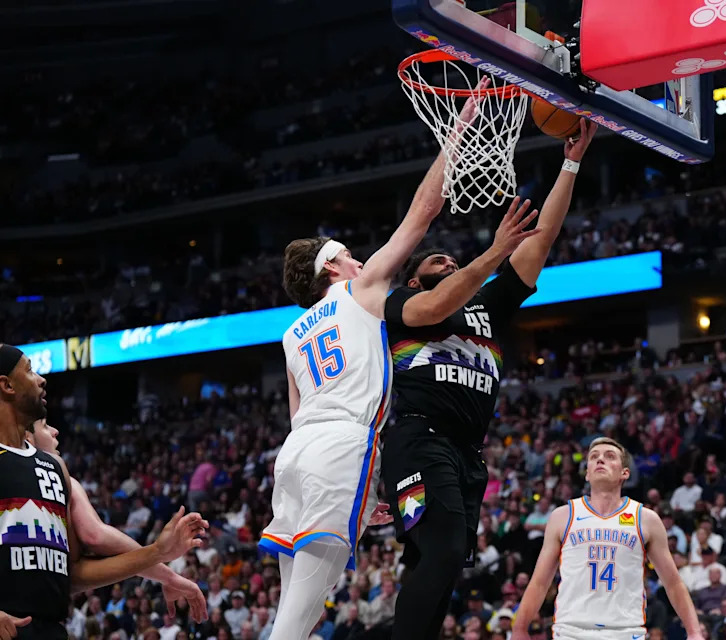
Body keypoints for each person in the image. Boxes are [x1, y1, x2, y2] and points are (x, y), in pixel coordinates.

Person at [257, 88, 542, 640]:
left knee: (297, 598)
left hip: (294, 456)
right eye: (345, 253)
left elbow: (297, 419)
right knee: (301, 607)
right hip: (342, 444)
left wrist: (368, 495)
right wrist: (454, 135)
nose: (357, 257)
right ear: (332, 269)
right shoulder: (360, 289)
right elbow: (424, 211)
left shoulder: (292, 334)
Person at [381, 119, 598, 640]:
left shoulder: (486, 307)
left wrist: (570, 163)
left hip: (467, 453)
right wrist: (493, 251)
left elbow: (540, 241)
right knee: (447, 546)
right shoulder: (403, 303)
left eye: (454, 258)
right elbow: (441, 301)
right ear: (415, 276)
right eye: (439, 259)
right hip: (417, 440)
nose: (449, 260)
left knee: (442, 562)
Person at [0, 343, 207, 640]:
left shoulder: (55, 469)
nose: (41, 379)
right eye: (30, 370)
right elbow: (95, 533)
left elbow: (72, 574)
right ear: (6, 385)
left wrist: (157, 552)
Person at [510, 437, 706, 640]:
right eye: (594, 457)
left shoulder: (645, 518)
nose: (600, 460)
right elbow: (540, 582)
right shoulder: (563, 516)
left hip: (625, 631)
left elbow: (673, 582)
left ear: (625, 473)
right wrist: (519, 628)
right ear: (586, 473)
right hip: (571, 631)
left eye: (609, 456)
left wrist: (694, 632)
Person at [24, 418, 208, 623]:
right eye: (45, 426)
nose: (56, 431)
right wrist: (167, 572)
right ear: (27, 437)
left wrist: (166, 571)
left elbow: (75, 573)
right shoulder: (58, 478)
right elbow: (95, 536)